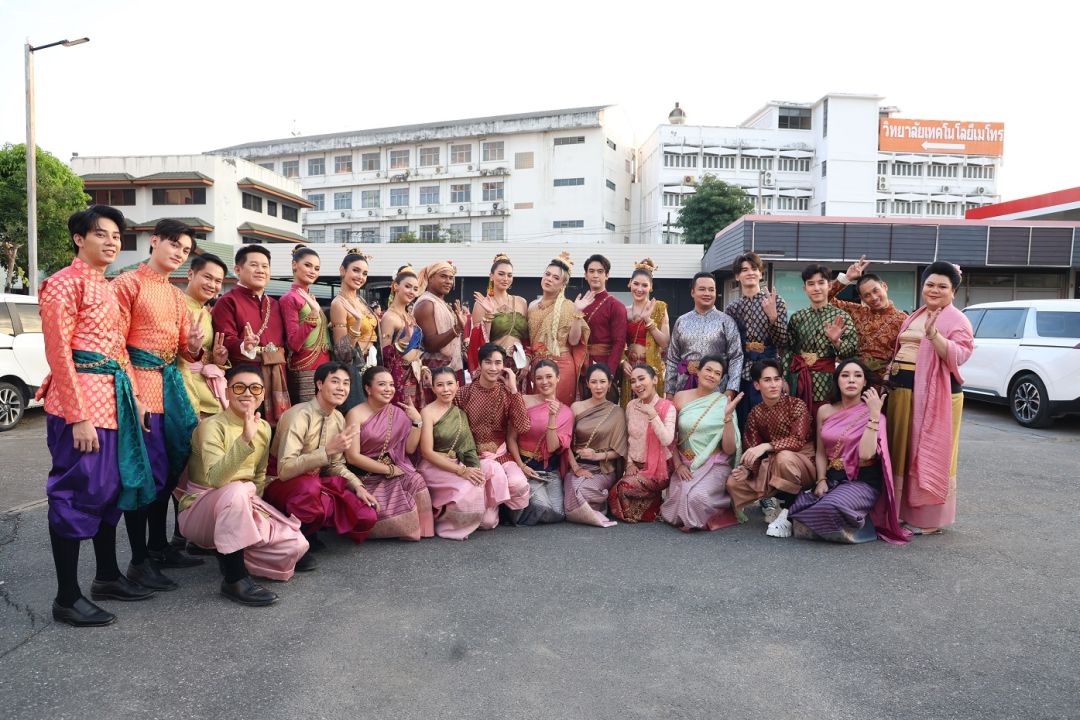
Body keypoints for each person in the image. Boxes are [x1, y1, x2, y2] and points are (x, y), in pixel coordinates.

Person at [39, 206, 157, 627]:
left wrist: (136, 399)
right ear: (79, 239)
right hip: (82, 407)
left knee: (109, 492)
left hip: (115, 403)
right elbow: (58, 351)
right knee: (76, 494)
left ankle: (106, 576)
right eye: (101, 234)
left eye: (116, 236)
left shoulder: (105, 286)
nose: (111, 242)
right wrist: (77, 416)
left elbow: (118, 349)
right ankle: (67, 597)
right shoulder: (62, 283)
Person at [112, 218, 203, 590]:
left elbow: (184, 350)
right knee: (142, 476)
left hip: (169, 389)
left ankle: (159, 546)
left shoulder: (176, 296)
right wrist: (133, 397)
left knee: (167, 473)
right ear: (154, 241)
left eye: (185, 250)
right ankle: (139, 560)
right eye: (175, 244)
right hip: (139, 392)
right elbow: (116, 346)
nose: (180, 253)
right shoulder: (126, 283)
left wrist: (194, 346)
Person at [180, 365, 313, 606]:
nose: (248, 393)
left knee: (295, 546)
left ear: (262, 394)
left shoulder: (263, 427)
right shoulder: (211, 426)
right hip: (199, 510)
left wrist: (256, 515)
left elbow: (259, 476)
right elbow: (216, 479)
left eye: (255, 388)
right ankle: (234, 578)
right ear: (227, 392)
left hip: (241, 503)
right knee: (237, 490)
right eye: (239, 387)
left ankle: (228, 550)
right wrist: (245, 438)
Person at [780, 359, 909, 544]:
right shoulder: (824, 411)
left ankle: (863, 525)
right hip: (833, 478)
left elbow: (866, 454)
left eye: (857, 376)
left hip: (862, 481)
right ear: (837, 380)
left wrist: (873, 415)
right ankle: (833, 523)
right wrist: (821, 480)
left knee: (830, 506)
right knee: (798, 505)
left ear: (864, 382)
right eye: (845, 375)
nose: (851, 380)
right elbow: (821, 452)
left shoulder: (875, 415)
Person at [887, 262, 974, 535]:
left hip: (938, 396)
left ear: (953, 291)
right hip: (903, 391)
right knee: (903, 451)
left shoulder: (957, 319)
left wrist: (934, 335)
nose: (934, 290)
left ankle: (929, 519)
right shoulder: (917, 314)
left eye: (942, 286)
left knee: (931, 450)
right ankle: (902, 511)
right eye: (930, 284)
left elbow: (961, 354)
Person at [266, 362, 378, 551]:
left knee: (366, 514)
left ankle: (310, 527)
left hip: (313, 484)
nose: (341, 388)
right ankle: (297, 538)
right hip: (279, 483)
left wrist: (357, 486)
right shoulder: (298, 416)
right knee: (309, 487)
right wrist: (326, 451)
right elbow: (284, 470)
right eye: (335, 381)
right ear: (319, 384)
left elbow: (335, 466)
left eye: (346, 383)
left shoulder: (338, 418)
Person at [344, 366, 435, 540]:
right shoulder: (355, 414)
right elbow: (352, 457)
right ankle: (397, 526)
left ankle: (423, 529)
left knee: (416, 480)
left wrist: (417, 421)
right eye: (382, 384)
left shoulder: (397, 413)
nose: (388, 389)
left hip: (392, 471)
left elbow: (409, 449)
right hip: (364, 477)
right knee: (370, 514)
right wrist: (389, 470)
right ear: (368, 388)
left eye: (391, 384)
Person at [725, 360, 815, 531]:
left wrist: (767, 446)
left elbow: (797, 440)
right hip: (774, 464)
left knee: (783, 458)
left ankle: (789, 512)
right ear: (757, 385)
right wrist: (748, 470)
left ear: (782, 381)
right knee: (733, 482)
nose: (774, 384)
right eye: (767, 380)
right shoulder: (755, 413)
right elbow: (752, 447)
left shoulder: (796, 405)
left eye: (777, 379)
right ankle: (782, 501)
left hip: (803, 462)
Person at [211, 245, 290, 425]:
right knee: (244, 427)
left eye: (265, 266)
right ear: (238, 269)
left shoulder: (274, 304)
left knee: (275, 431)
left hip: (278, 377)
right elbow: (224, 340)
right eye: (254, 265)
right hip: (244, 380)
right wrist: (244, 345)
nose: (261, 270)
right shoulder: (227, 301)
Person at [661, 356, 743, 531]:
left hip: (714, 464)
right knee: (679, 499)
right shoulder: (680, 397)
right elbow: (671, 437)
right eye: (708, 370)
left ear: (721, 379)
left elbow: (729, 449)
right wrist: (678, 465)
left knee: (696, 499)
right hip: (685, 464)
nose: (712, 375)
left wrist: (728, 417)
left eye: (717, 373)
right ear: (698, 372)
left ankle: (721, 508)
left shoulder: (724, 403)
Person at [455, 342, 531, 527]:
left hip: (501, 455)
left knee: (519, 484)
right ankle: (493, 506)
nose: (493, 368)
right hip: (475, 458)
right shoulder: (463, 393)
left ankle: (504, 507)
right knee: (487, 523)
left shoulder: (507, 393)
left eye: (498, 363)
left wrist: (514, 389)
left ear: (504, 366)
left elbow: (523, 426)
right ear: (480, 364)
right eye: (488, 362)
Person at [418, 367, 487, 540]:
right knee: (464, 488)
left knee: (477, 483)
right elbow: (426, 452)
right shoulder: (427, 412)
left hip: (455, 463)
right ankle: (445, 525)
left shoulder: (460, 413)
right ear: (433, 388)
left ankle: (464, 520)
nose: (446, 389)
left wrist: (475, 470)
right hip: (433, 466)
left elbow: (468, 448)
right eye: (440, 385)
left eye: (449, 384)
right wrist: (462, 471)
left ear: (457, 385)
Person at [783, 264, 858, 418]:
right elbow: (788, 351)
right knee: (799, 422)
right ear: (805, 289)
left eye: (821, 283)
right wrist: (784, 379)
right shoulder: (797, 317)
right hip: (798, 381)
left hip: (827, 382)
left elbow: (851, 351)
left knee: (825, 422)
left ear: (829, 286)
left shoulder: (841, 317)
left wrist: (837, 342)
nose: (816, 288)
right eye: (811, 284)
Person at [723, 252, 788, 426]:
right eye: (744, 270)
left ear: (760, 273)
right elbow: (729, 346)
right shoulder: (732, 308)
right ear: (737, 276)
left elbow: (783, 342)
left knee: (769, 420)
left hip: (769, 369)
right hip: (741, 371)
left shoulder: (776, 301)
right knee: (742, 419)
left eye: (754, 268)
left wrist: (773, 318)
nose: (750, 273)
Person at [507, 360, 573, 525]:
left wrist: (552, 417)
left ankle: (521, 506)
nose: (544, 382)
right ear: (534, 380)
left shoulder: (566, 412)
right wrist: (521, 466)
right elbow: (511, 438)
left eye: (549, 377)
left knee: (558, 513)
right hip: (526, 466)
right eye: (539, 378)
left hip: (550, 470)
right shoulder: (523, 401)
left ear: (558, 378)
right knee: (542, 507)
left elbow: (552, 446)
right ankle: (512, 510)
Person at [609, 364, 676, 523]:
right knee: (618, 494)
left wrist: (653, 415)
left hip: (660, 469)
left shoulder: (668, 407)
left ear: (654, 380)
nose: (637, 385)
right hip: (636, 466)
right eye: (633, 381)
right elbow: (628, 438)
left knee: (621, 489)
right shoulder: (631, 406)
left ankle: (653, 503)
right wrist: (629, 464)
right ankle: (654, 501)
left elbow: (667, 440)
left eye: (641, 379)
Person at [564, 364, 628, 527]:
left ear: (609, 384)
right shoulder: (576, 407)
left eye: (602, 382)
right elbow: (566, 443)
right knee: (575, 489)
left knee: (581, 491)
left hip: (603, 469)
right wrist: (576, 468)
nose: (598, 387)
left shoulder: (617, 412)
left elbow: (620, 451)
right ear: (587, 384)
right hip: (577, 466)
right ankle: (595, 506)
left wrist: (596, 455)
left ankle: (595, 504)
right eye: (594, 382)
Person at [665, 272, 743, 401]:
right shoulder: (682, 321)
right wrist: (669, 392)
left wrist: (731, 390)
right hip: (685, 387)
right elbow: (673, 359)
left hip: (717, 389)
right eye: (702, 289)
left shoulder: (726, 321)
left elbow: (736, 357)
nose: (707, 293)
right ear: (693, 292)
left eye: (711, 290)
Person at [527, 252, 589, 405]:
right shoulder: (532, 306)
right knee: (537, 411)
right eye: (547, 274)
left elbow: (574, 341)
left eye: (556, 278)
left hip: (561, 364)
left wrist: (577, 313)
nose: (549, 279)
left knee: (559, 410)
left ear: (563, 285)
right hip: (537, 366)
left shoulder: (568, 306)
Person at [829, 255, 908, 375]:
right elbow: (825, 299)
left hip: (884, 380)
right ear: (862, 298)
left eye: (876, 291)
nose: (874, 298)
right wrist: (847, 278)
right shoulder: (857, 311)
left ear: (884, 286)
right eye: (867, 295)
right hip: (854, 378)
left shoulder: (904, 319)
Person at [179, 253, 230, 417]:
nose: (212, 285)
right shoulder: (177, 306)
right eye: (207, 277)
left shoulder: (206, 313)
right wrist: (192, 350)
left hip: (207, 384)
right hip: (186, 385)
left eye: (218, 281)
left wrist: (218, 359)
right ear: (190, 274)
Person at [329, 249, 379, 414]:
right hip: (355, 370)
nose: (360, 277)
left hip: (371, 365)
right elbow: (342, 353)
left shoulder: (360, 300)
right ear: (342, 270)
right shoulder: (339, 304)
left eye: (364, 273)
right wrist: (357, 323)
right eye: (356, 270)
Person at [279, 246, 331, 404]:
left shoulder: (310, 298)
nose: (313, 271)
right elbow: (294, 344)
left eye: (317, 268)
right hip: (305, 365)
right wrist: (314, 314)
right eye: (308, 265)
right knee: (307, 412)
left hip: (324, 362)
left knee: (326, 409)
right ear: (294, 265)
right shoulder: (289, 298)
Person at [468, 253, 529, 381]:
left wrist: (527, 360)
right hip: (494, 366)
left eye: (509, 275)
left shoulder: (521, 302)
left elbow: (527, 339)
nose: (505, 279)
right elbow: (478, 342)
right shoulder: (481, 304)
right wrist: (489, 314)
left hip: (519, 364)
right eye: (501, 274)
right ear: (491, 276)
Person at [575, 254, 627, 401]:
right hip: (581, 364)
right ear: (585, 275)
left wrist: (608, 373)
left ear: (607, 275)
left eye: (600, 271)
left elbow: (619, 343)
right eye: (591, 271)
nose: (595, 275)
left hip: (603, 365)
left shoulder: (615, 306)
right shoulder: (579, 303)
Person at [620, 258, 669, 407]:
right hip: (630, 368)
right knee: (630, 408)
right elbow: (618, 341)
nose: (639, 289)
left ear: (651, 287)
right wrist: (622, 361)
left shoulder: (659, 307)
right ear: (629, 283)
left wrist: (648, 320)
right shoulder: (623, 311)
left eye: (644, 285)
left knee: (652, 408)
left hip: (651, 367)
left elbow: (664, 343)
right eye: (636, 284)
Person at [415, 260, 468, 391]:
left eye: (451, 278)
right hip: (436, 373)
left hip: (450, 369)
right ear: (430, 278)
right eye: (443, 276)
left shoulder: (440, 302)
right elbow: (430, 345)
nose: (448, 281)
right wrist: (457, 329)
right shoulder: (426, 304)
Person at [379, 266, 426, 407]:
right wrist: (404, 341)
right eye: (408, 286)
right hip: (398, 376)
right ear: (396, 286)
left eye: (415, 289)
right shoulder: (389, 317)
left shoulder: (410, 316)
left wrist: (423, 368)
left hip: (414, 374)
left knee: (414, 415)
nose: (412, 292)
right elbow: (385, 355)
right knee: (401, 413)